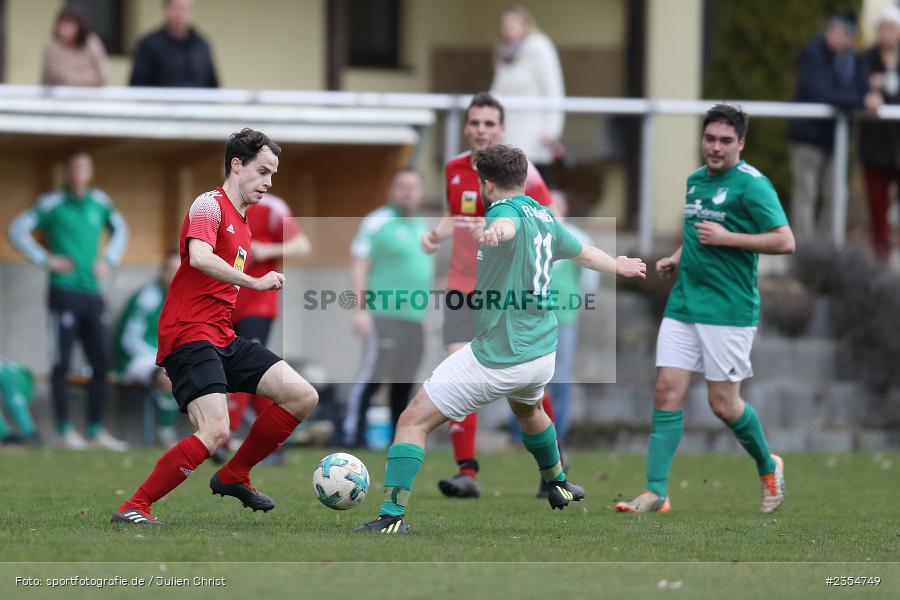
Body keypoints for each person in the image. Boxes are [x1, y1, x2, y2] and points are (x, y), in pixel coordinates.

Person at [353, 144, 647, 533]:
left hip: (500, 354)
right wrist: (618, 265)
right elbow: (583, 252)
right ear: (524, 179)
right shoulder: (545, 214)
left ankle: (392, 517)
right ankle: (558, 482)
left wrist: (495, 232)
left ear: (486, 184)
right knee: (529, 411)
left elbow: (507, 227)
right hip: (542, 350)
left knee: (411, 421)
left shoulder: (501, 213)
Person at [110, 129, 318, 527]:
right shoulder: (210, 205)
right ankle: (135, 506)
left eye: (273, 174)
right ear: (236, 165)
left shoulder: (244, 222)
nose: (268, 182)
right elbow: (199, 256)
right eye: (262, 172)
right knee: (216, 429)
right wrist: (255, 282)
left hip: (222, 335)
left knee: (302, 396)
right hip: (189, 334)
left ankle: (234, 474)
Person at [616, 104, 795, 515]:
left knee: (723, 404)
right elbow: (700, 235)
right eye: (709, 138)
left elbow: (785, 241)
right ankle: (656, 491)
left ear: (741, 144)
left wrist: (729, 238)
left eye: (725, 141)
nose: (715, 148)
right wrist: (678, 257)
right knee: (666, 391)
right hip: (684, 302)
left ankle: (769, 466)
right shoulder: (696, 180)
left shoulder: (753, 186)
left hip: (729, 309)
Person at [421, 92, 560, 499]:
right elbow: (456, 214)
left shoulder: (525, 174)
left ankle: (554, 464)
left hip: (507, 294)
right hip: (462, 286)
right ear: (466, 127)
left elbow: (549, 220)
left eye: (489, 123)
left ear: (501, 129)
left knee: (527, 386)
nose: (481, 129)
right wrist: (438, 233)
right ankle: (468, 472)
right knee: (455, 365)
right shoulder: (453, 168)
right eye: (475, 123)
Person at [8, 151, 129, 451]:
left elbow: (121, 229)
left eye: (83, 168)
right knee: (62, 361)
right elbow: (16, 229)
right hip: (63, 292)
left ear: (89, 173)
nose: (78, 174)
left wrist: (109, 258)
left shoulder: (100, 202)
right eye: (73, 169)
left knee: (100, 361)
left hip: (93, 293)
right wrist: (44, 259)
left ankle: (96, 430)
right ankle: (64, 430)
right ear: (67, 172)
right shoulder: (51, 204)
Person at [342, 167, 434, 448]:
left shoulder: (422, 226)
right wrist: (360, 310)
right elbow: (359, 264)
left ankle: (400, 438)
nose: (408, 191)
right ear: (392, 190)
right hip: (381, 314)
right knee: (372, 377)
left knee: (404, 383)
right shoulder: (377, 221)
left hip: (413, 318)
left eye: (413, 186)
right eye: (402, 186)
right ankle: (351, 434)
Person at [222, 189, 311, 462]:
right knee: (256, 374)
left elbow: (302, 246)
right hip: (226, 303)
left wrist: (265, 249)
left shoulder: (272, 207)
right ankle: (276, 440)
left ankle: (224, 438)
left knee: (241, 366)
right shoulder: (220, 206)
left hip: (259, 303)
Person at [509, 190, 598, 445]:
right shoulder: (528, 237)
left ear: (565, 208)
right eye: (547, 206)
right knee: (525, 376)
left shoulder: (578, 239)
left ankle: (558, 435)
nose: (552, 210)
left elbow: (589, 281)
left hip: (563, 318)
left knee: (560, 376)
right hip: (529, 318)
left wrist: (574, 304)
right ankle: (520, 435)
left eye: (556, 205)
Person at [787, 13, 867, 241]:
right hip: (807, 136)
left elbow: (862, 89)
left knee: (834, 195)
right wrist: (857, 100)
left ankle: (825, 251)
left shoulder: (854, 61)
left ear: (850, 37)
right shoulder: (814, 54)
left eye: (842, 33)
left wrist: (855, 98)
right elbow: (822, 92)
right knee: (806, 194)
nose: (836, 36)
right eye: (833, 31)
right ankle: (803, 249)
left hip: (836, 139)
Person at [114, 251, 182, 448]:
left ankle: (212, 436)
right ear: (162, 271)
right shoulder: (148, 297)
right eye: (171, 270)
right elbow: (129, 340)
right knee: (167, 375)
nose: (175, 275)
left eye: (181, 270)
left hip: (165, 357)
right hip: (134, 359)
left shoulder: (183, 298)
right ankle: (166, 436)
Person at [489, 6, 565, 182]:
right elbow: (497, 90)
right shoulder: (504, 52)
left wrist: (552, 129)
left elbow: (553, 89)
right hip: (509, 131)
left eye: (513, 23)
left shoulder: (539, 47)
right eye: (505, 24)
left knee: (535, 183)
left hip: (534, 132)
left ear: (525, 24)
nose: (508, 28)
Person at [859, 7, 900, 261]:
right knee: (877, 205)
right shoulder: (866, 59)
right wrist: (867, 92)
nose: (886, 34)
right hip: (875, 145)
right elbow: (855, 87)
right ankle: (881, 255)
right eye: (882, 28)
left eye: (891, 29)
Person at [129, 0, 219, 88]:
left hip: (196, 102)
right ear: (166, 10)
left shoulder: (201, 45)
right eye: (177, 8)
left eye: (185, 9)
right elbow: (137, 84)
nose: (181, 14)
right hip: (160, 102)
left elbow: (213, 85)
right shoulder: (149, 44)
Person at [41, 4, 108, 86]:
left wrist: (75, 76)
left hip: (89, 97)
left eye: (68, 24)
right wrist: (89, 75)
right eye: (60, 23)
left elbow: (102, 76)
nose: (62, 28)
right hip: (59, 97)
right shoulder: (52, 47)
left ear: (79, 26)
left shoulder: (92, 42)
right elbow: (63, 78)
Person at [0, 357, 39, 446]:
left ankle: (8, 436)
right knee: (12, 386)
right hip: (21, 376)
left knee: (11, 385)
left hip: (18, 377)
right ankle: (29, 432)